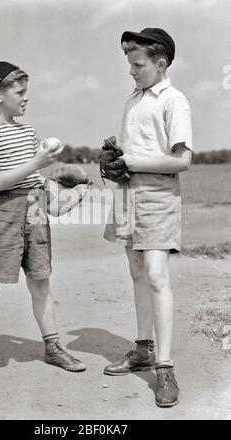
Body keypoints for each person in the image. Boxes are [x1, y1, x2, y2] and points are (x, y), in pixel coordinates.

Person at [0, 61, 86, 392]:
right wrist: (38, 161)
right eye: (20, 92)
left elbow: (36, 180)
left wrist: (71, 195)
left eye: (27, 92)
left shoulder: (28, 132)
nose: (26, 98)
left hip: (34, 208)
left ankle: (53, 347)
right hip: (3, 213)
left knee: (41, 283)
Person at [103, 28, 193, 407]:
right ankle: (143, 349)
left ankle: (166, 367)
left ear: (160, 63)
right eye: (130, 65)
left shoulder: (174, 100)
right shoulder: (132, 101)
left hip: (157, 197)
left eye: (138, 65)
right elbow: (129, 151)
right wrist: (113, 158)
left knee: (156, 276)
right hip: (128, 195)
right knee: (137, 272)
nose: (132, 71)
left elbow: (183, 160)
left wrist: (134, 161)